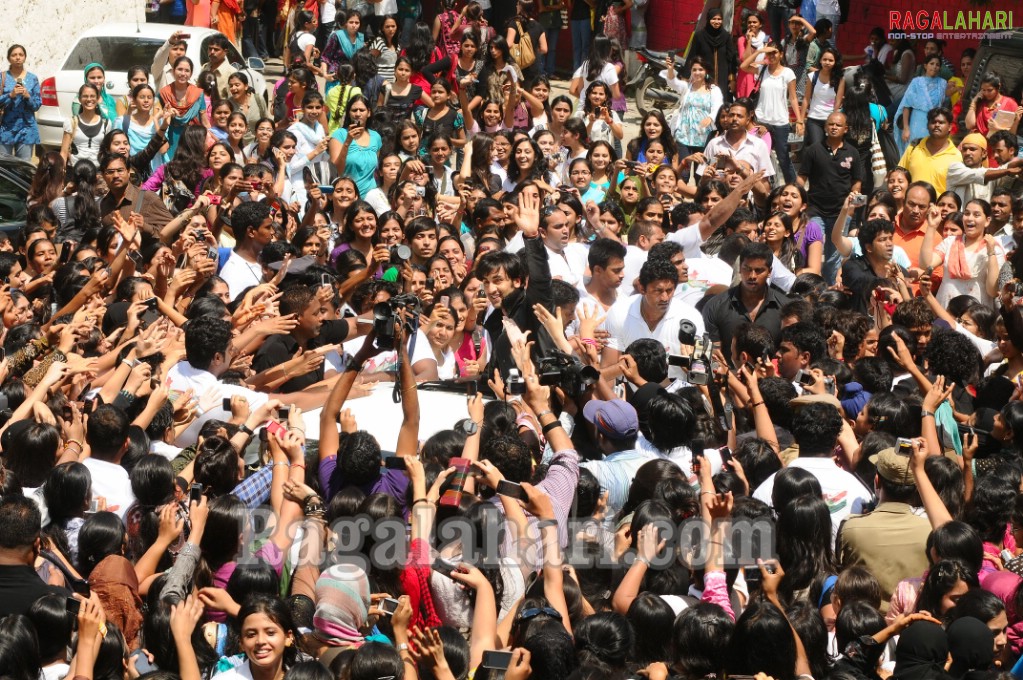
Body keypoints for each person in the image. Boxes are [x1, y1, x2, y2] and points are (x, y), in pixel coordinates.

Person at [740, 44, 802, 184]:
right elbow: (744, 66)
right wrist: (760, 51)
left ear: (781, 54)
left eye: (775, 53)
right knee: (757, 156)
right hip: (761, 120)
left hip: (780, 122)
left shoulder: (788, 73)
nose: (772, 56)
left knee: (783, 158)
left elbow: (792, 97)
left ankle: (792, 187)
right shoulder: (762, 69)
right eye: (769, 54)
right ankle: (758, 188)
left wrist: (799, 120)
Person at [894, 55, 947, 155]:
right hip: (917, 122)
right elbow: (907, 105)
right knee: (913, 151)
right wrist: (906, 128)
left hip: (934, 123)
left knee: (930, 152)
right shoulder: (916, 82)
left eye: (937, 65)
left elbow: (943, 104)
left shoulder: (943, 83)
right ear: (925, 65)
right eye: (931, 64)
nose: (934, 67)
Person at [0, 45, 41, 160]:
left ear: (25, 58)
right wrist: (10, 95)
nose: (17, 57)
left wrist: (28, 97)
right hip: (6, 128)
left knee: (24, 168)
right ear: (8, 58)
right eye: (14, 55)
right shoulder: (2, 77)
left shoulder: (32, 78)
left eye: (20, 55)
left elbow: (37, 105)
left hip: (26, 129)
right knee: (5, 167)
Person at [684, 8, 736, 95]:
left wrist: (732, 79)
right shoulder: (699, 36)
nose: (717, 22)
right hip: (704, 76)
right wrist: (685, 76)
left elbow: (731, 59)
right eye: (714, 19)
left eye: (719, 19)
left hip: (722, 78)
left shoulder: (726, 37)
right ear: (708, 19)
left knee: (720, 103)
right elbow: (692, 56)